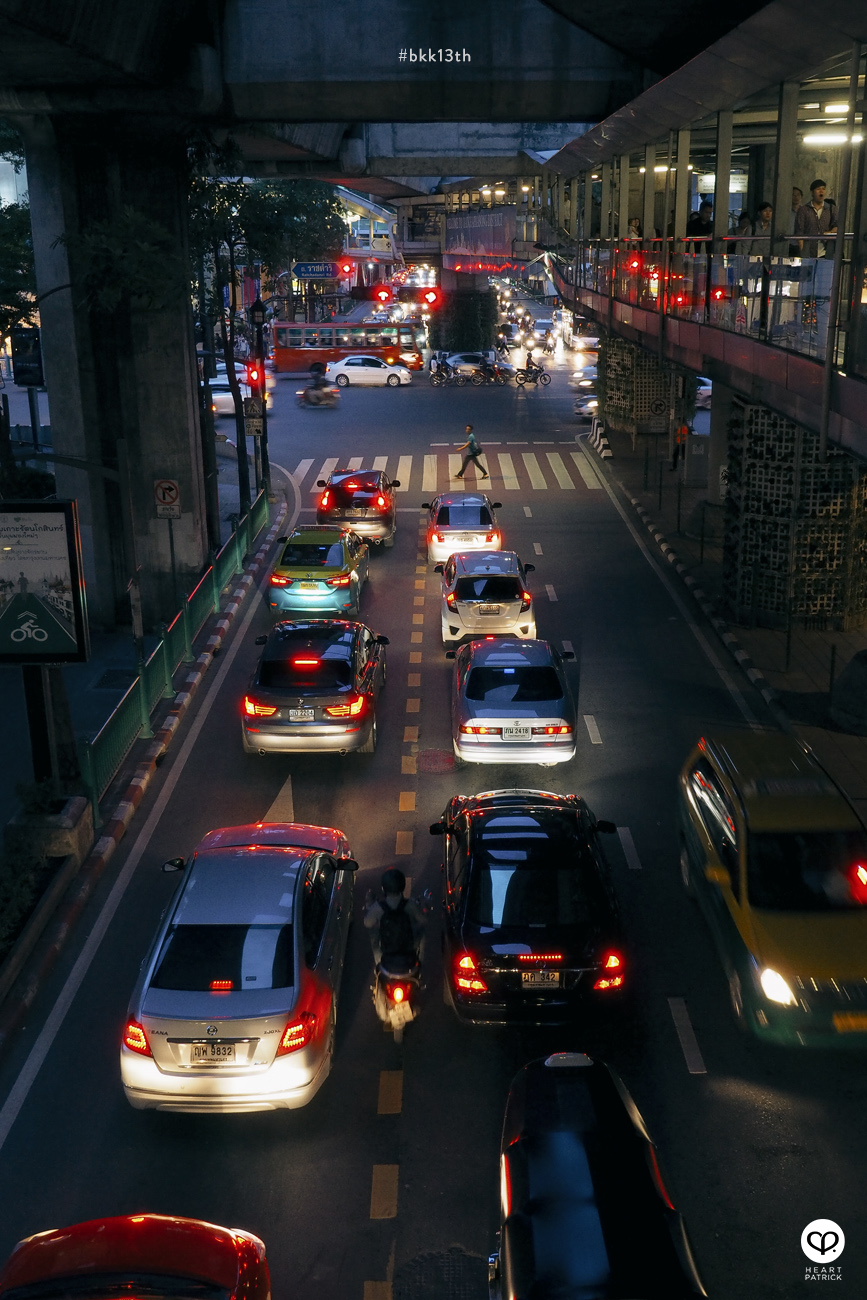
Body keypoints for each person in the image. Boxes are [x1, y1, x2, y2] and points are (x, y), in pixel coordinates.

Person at [364, 868, 426, 967]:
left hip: (386, 951)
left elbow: (367, 923)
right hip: (409, 948)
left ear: (383, 888)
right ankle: (419, 961)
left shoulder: (378, 907)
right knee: (422, 932)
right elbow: (423, 921)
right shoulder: (411, 905)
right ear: (403, 886)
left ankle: (378, 962)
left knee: (373, 935)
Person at [794, 179, 837, 259]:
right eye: (818, 189)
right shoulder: (804, 209)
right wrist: (803, 252)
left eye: (823, 189)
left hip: (826, 251)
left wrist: (829, 233)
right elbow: (799, 231)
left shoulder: (831, 209)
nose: (821, 191)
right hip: (808, 251)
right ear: (812, 192)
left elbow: (836, 225)